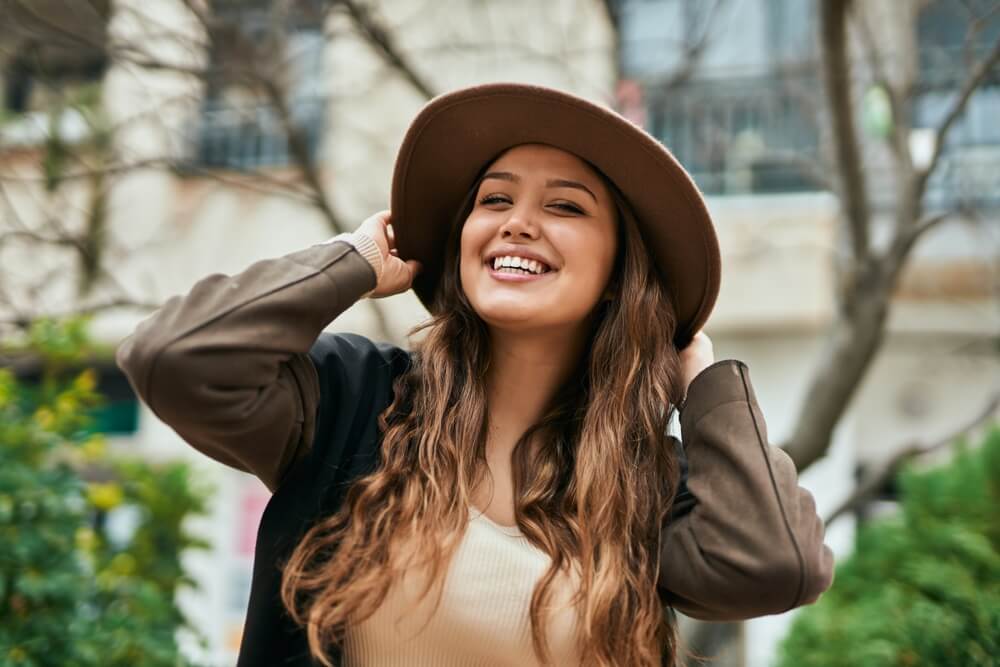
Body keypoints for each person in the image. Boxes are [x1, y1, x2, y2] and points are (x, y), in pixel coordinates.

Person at [117, 83, 834, 667]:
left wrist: (701, 379)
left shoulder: (641, 483)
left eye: (563, 205)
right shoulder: (354, 402)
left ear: (619, 275)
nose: (518, 222)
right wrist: (356, 260)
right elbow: (174, 358)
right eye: (495, 199)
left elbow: (778, 565)